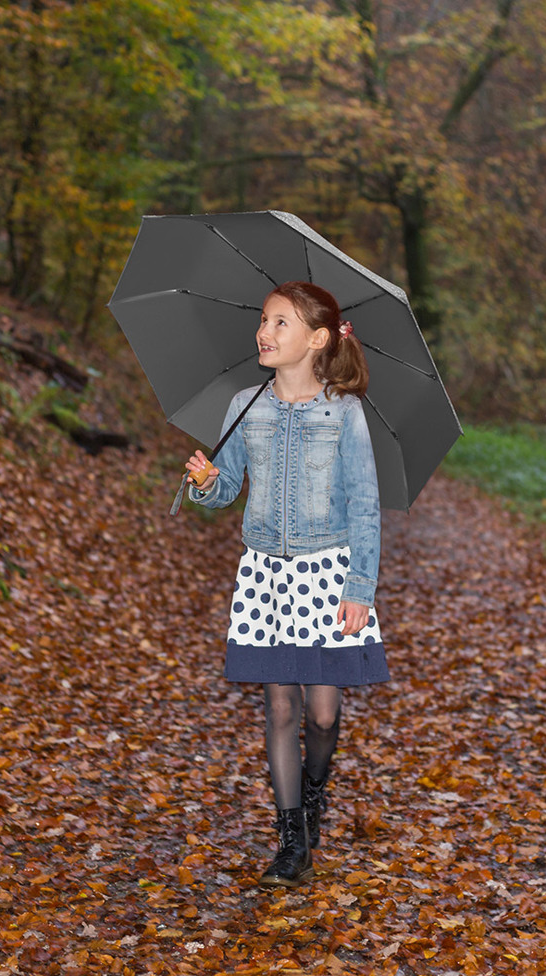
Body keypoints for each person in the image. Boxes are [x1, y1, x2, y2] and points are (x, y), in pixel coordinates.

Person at [185, 280, 388, 888]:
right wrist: (206, 480)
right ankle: (291, 836)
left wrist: (361, 585)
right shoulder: (247, 405)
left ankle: (315, 794)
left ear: (317, 339)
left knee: (322, 715)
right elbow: (225, 494)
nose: (264, 333)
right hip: (267, 573)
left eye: (279, 323)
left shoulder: (345, 412)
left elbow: (366, 505)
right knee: (280, 705)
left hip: (328, 573)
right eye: (264, 321)